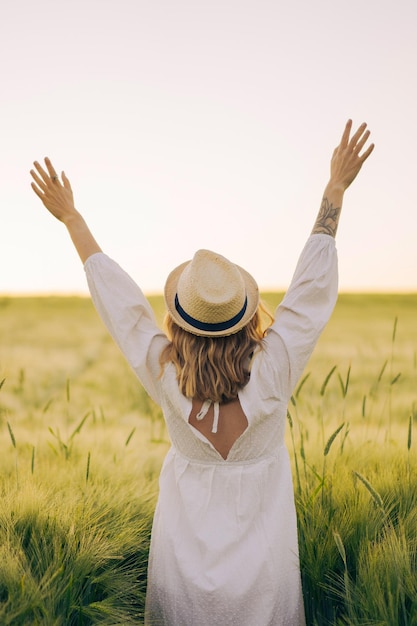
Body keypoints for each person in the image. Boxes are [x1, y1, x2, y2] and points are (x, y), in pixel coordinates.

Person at [30, 119, 374, 626]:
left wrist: (73, 219)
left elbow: (121, 307)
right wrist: (335, 189)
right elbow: (309, 293)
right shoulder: (275, 368)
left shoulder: (164, 372)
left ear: (179, 318)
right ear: (245, 314)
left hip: (185, 571)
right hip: (265, 573)